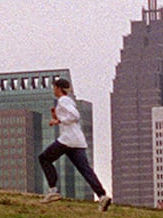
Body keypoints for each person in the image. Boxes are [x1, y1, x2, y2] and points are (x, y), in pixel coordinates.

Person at [39, 77, 111, 210]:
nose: (53, 90)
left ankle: (53, 190)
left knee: (44, 158)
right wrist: (57, 118)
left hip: (67, 139)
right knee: (85, 169)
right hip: (77, 140)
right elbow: (70, 118)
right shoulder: (68, 101)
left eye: (54, 87)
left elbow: (75, 115)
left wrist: (59, 121)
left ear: (58, 88)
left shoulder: (63, 100)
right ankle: (102, 196)